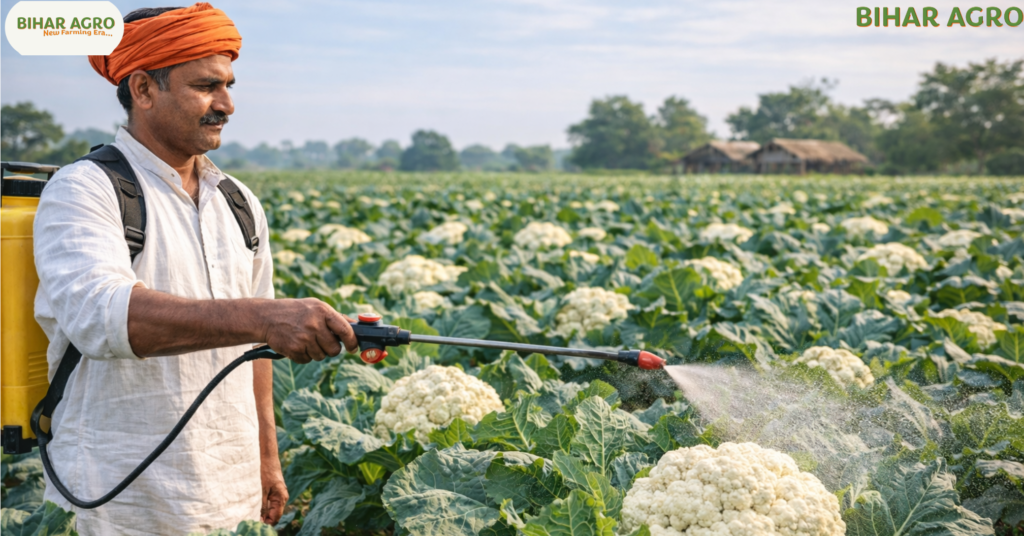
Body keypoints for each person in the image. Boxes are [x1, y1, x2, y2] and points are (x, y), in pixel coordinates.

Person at [33, 4, 358, 534]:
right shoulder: (83, 188)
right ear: (142, 89)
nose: (226, 104)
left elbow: (258, 355)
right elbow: (103, 317)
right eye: (207, 85)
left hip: (229, 492)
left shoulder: (238, 201)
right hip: (117, 499)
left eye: (228, 84)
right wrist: (263, 318)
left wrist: (266, 460)